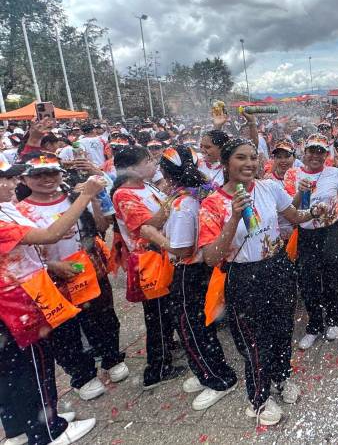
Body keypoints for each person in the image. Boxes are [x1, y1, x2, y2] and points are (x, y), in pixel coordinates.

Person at [199, 137, 325, 425]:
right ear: (226, 163)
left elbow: (294, 216)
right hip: (243, 276)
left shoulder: (269, 187)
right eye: (241, 158)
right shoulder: (212, 204)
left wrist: (315, 211)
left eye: (253, 157)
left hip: (278, 268)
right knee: (254, 341)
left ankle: (281, 379)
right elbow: (210, 256)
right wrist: (233, 217)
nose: (249, 164)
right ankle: (259, 398)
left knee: (282, 330)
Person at [0, 162, 105, 445]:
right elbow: (50, 235)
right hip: (17, 301)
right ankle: (49, 431)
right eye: (4, 181)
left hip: (12, 300)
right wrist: (86, 195)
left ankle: (19, 430)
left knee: (11, 371)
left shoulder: (7, 206)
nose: (11, 185)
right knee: (36, 367)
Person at [14, 152, 128, 403]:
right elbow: (21, 251)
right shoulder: (20, 211)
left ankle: (112, 358)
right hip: (51, 280)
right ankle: (82, 376)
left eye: (52, 173)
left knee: (103, 317)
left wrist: (94, 200)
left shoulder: (75, 197)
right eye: (38, 175)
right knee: (63, 332)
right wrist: (51, 265)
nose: (46, 179)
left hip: (89, 270)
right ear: (23, 178)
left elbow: (100, 227)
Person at [138, 144, 239, 412]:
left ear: (168, 174)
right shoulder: (198, 193)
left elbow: (182, 248)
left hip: (188, 272)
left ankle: (218, 378)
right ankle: (207, 367)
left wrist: (153, 235)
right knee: (198, 325)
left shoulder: (185, 204)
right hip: (200, 272)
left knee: (191, 327)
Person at [111, 145, 188, 390]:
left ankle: (168, 347)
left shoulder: (147, 186)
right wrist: (176, 200)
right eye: (149, 160)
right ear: (132, 168)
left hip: (164, 255)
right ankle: (157, 369)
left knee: (168, 309)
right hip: (148, 261)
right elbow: (147, 226)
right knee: (157, 316)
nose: (154, 164)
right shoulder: (123, 195)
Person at [284, 134, 338, 350]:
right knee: (309, 283)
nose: (315, 155)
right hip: (306, 235)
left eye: (320, 151)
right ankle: (314, 326)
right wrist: (299, 193)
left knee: (332, 280)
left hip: (331, 233)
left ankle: (333, 320)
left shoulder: (334, 173)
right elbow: (287, 210)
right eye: (312, 150)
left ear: (326, 154)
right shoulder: (292, 174)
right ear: (304, 153)